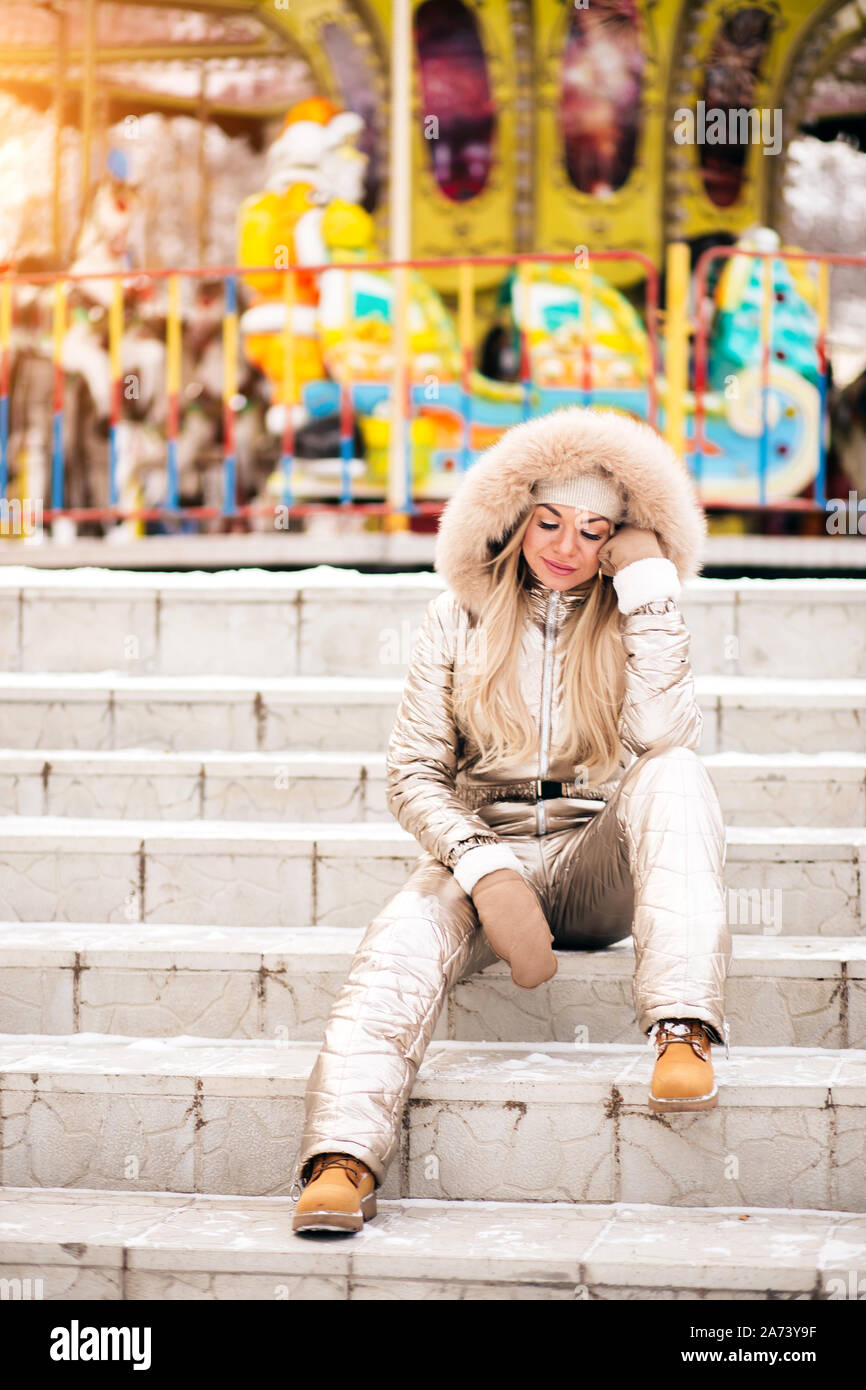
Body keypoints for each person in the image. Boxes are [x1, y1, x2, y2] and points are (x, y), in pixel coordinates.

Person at [291, 405, 731, 1235]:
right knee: (401, 935)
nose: (567, 547)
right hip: (485, 848)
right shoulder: (456, 615)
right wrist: (480, 863)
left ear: (620, 540)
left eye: (596, 531)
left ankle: (683, 1027)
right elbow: (413, 771)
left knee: (674, 774)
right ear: (514, 519)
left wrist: (647, 597)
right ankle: (340, 1160)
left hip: (594, 857)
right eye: (550, 522)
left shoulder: (632, 609)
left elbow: (665, 742)